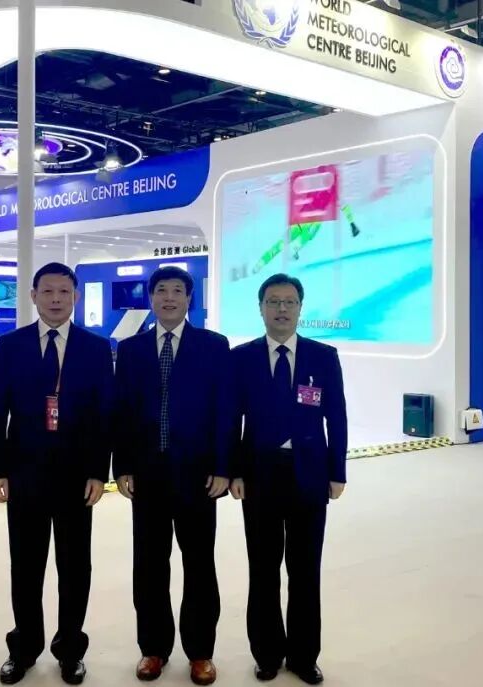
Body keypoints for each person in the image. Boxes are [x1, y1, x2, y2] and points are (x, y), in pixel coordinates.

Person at [0, 262, 114, 686]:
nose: (56, 299)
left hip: (77, 477)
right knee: (25, 566)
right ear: (33, 296)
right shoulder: (10, 346)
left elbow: (104, 416)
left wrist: (98, 472)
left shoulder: (96, 348)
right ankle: (23, 648)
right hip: (24, 473)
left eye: (64, 292)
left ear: (75, 296)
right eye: (48, 291)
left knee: (75, 567)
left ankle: (70, 650)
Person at [113, 265, 235, 686]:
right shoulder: (131, 349)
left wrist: (224, 467)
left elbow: (225, 411)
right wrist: (122, 466)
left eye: (177, 291)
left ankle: (200, 652)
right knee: (149, 565)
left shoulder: (213, 346)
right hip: (147, 476)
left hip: (198, 476)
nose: (168, 298)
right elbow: (121, 412)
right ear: (151, 298)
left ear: (189, 299)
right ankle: (153, 648)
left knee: (199, 564)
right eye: (161, 290)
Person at [229, 274, 348, 685]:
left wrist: (337, 471)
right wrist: (235, 471)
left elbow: (337, 417)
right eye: (273, 301)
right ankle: (266, 653)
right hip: (259, 476)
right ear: (261, 307)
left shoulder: (323, 356)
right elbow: (231, 420)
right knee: (263, 570)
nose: (281, 309)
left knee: (305, 570)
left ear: (300, 308)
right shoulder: (242, 358)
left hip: (309, 475)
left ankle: (303, 656)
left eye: (289, 302)